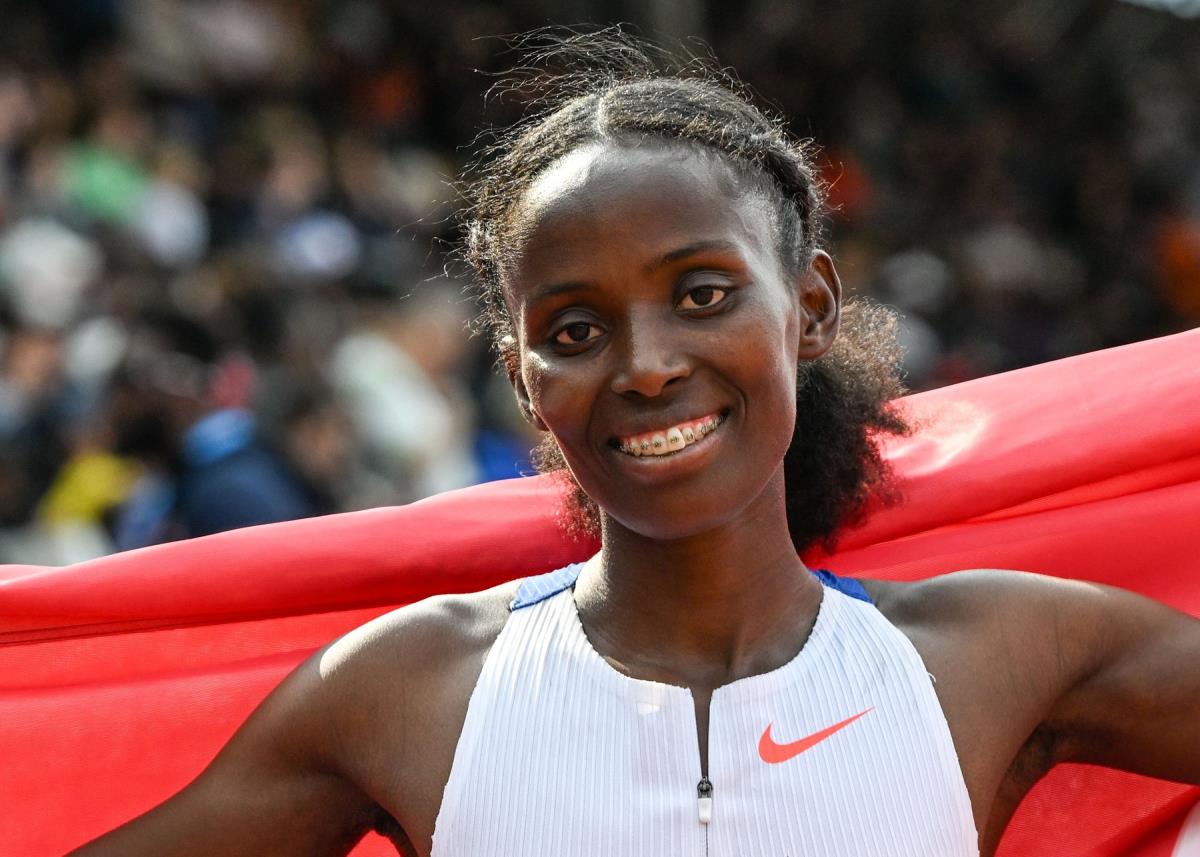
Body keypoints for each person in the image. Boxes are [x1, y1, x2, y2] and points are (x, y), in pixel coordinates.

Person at [72, 32, 1200, 857]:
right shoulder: (406, 690)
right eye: (573, 330)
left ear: (809, 306)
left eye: (702, 293)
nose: (647, 364)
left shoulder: (1000, 655)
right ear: (524, 379)